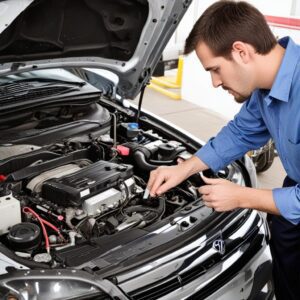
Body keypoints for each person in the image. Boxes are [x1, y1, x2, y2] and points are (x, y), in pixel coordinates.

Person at [147, 1, 300, 299]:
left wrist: (241, 196)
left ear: (241, 51)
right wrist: (185, 168)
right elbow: (241, 132)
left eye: (215, 70)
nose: (215, 82)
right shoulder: (265, 88)